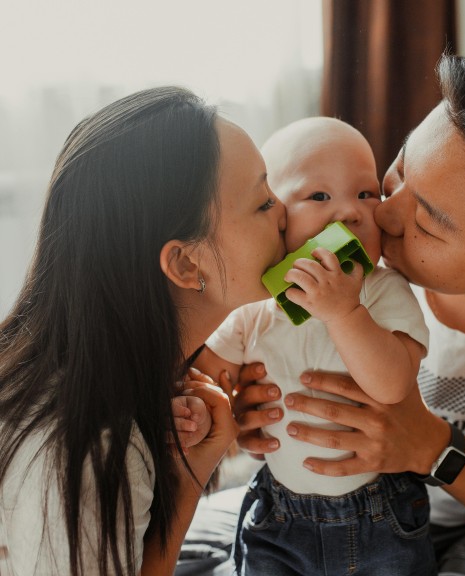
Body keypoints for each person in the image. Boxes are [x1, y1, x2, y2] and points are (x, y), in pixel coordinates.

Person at [190, 53, 465, 576]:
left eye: (429, 222)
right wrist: (245, 416)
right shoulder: (323, 272)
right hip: (301, 511)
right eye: (395, 177)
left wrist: (432, 447)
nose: (379, 214)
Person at [0, 86, 286, 576]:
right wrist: (189, 479)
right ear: (184, 262)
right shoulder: (94, 449)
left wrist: (198, 458)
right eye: (263, 203)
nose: (288, 212)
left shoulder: (109, 375)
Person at [187, 116, 432, 575]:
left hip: (379, 512)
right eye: (319, 196)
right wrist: (207, 408)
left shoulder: (381, 291)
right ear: (276, 216)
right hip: (281, 513)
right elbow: (210, 375)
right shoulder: (256, 305)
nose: (350, 212)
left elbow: (394, 382)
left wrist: (344, 312)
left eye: (365, 193)